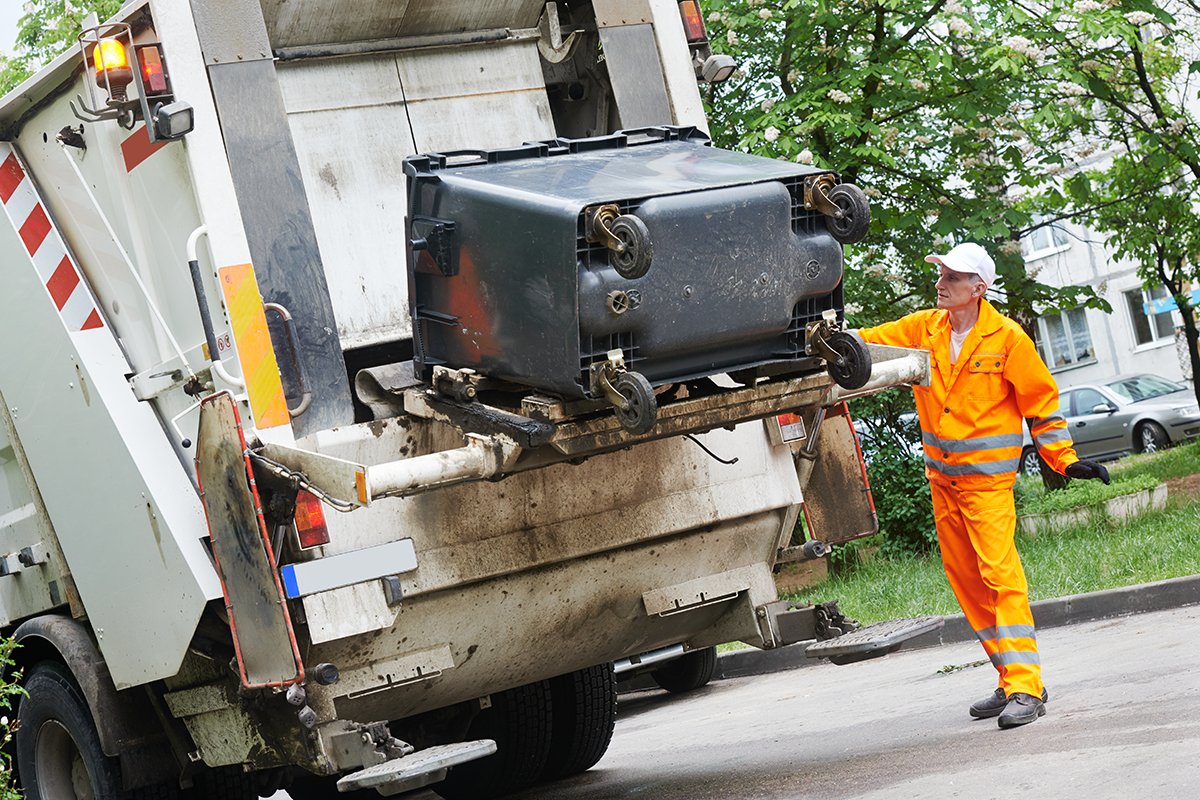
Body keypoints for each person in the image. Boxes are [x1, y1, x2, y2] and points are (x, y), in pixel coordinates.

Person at [855, 242, 1110, 728]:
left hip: (987, 488)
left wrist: (1064, 459)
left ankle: (1027, 688)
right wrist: (819, 339)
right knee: (969, 584)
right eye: (940, 274)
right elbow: (863, 342)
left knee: (1000, 577)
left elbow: (1040, 404)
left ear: (979, 287)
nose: (940, 283)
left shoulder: (1008, 338)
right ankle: (1009, 676)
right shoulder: (923, 329)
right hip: (943, 483)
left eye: (952, 276)